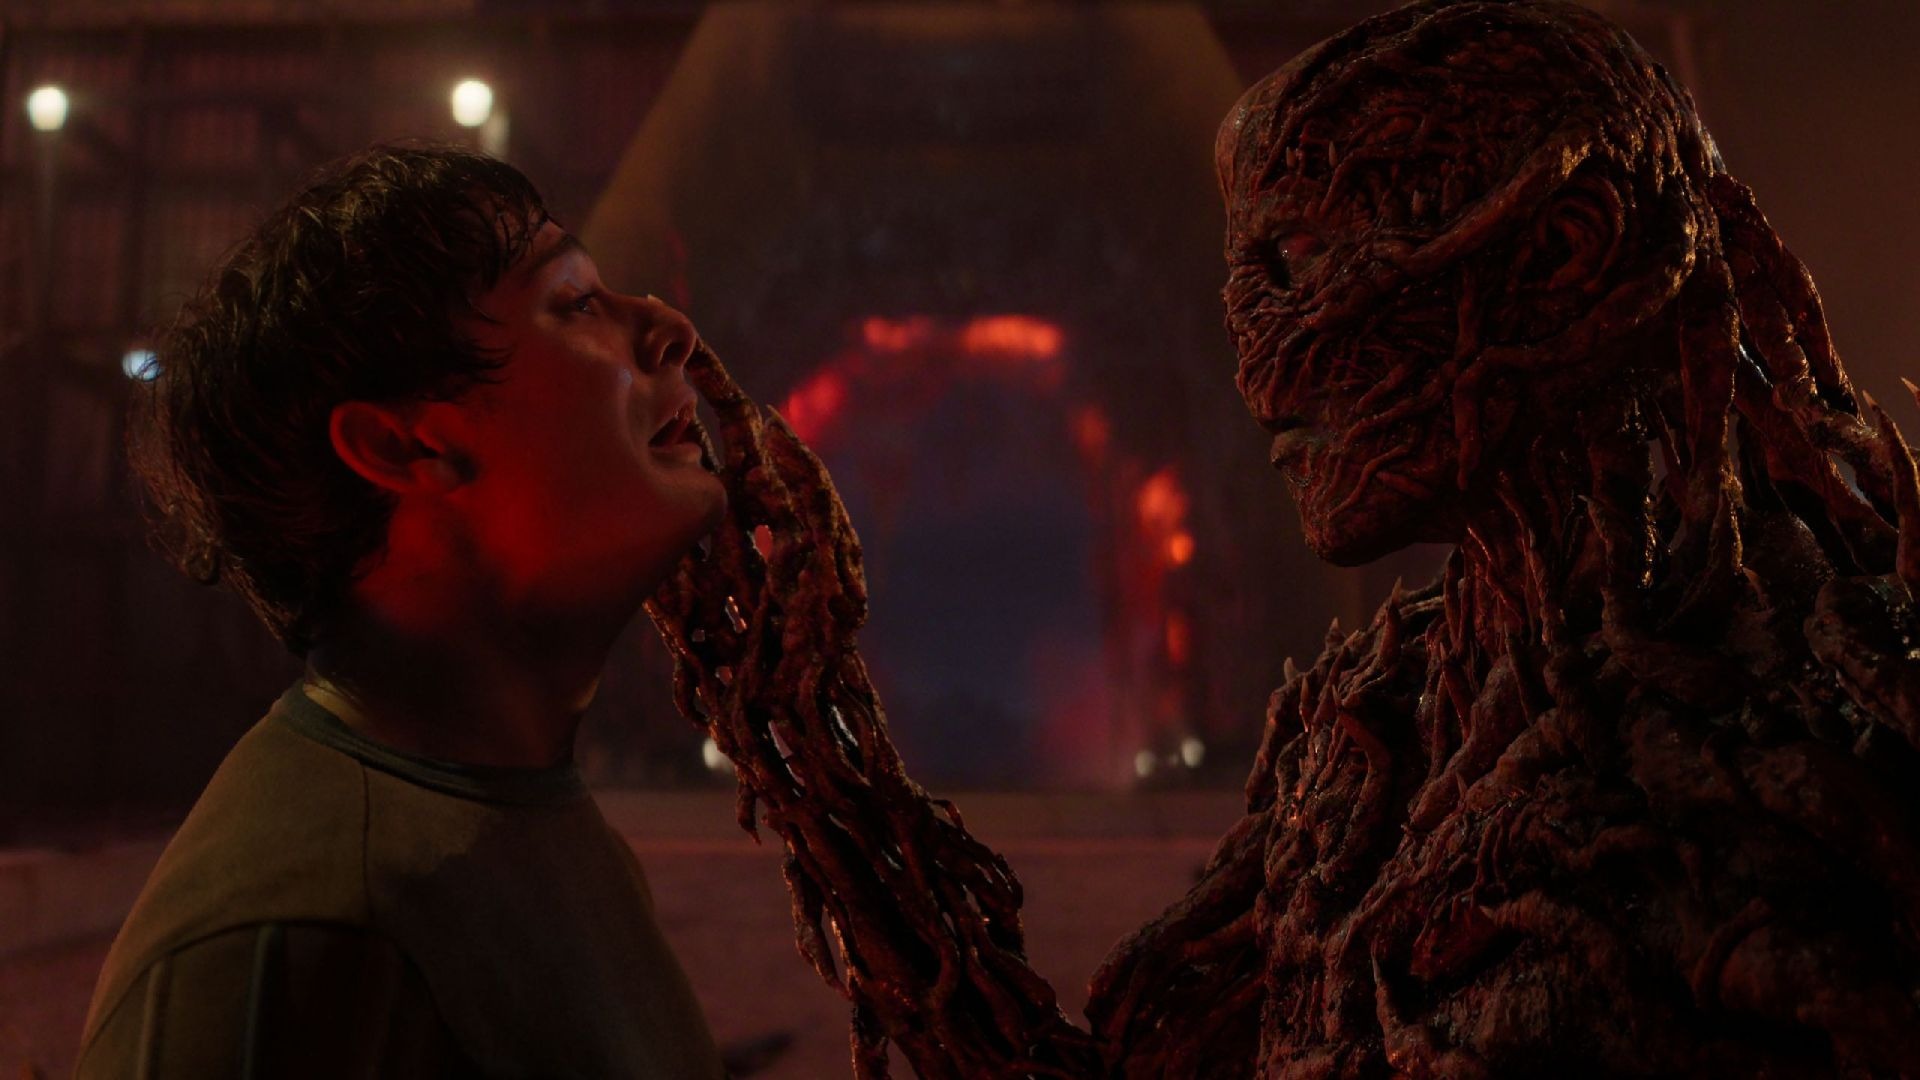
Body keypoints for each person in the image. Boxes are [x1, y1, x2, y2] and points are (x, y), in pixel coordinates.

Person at [76, 143, 729, 1076]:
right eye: (577, 301)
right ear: (405, 447)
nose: (669, 327)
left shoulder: (516, 819)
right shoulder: (294, 943)